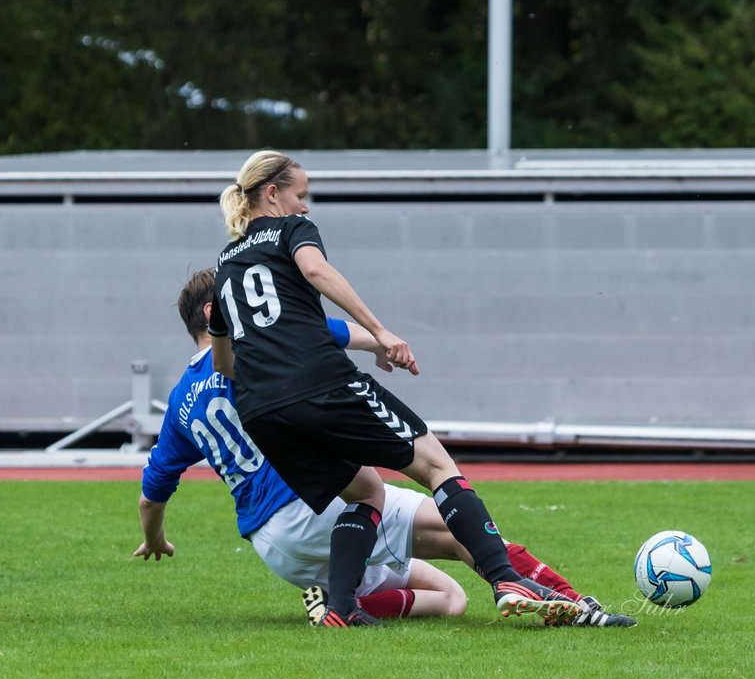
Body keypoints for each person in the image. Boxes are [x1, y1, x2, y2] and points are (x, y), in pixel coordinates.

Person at [136, 269, 635, 628]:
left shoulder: (181, 399)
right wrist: (376, 342)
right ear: (213, 312)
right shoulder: (252, 348)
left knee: (450, 597)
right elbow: (319, 333)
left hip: (275, 547)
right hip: (312, 502)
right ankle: (572, 604)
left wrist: (155, 539)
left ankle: (336, 598)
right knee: (463, 528)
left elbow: (152, 493)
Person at [209, 150, 583, 627]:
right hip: (321, 382)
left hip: (261, 410)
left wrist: (274, 380)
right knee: (436, 465)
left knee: (366, 491)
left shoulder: (225, 264)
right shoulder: (292, 232)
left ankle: (341, 608)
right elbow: (317, 272)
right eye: (301, 195)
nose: (305, 206)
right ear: (272, 193)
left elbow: (224, 361)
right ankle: (505, 578)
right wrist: (381, 332)